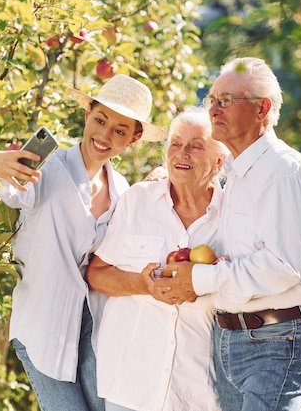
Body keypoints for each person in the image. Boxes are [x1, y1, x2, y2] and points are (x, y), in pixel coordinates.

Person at [0, 74, 166, 411]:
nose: (105, 135)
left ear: (134, 138)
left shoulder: (123, 190)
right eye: (100, 120)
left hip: (93, 331)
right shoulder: (48, 168)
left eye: (120, 130)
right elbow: (7, 188)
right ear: (87, 114)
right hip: (41, 328)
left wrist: (158, 185)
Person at [162, 57, 301, 411]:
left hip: (278, 339)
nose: (213, 109)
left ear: (262, 109)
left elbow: (283, 266)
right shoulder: (239, 174)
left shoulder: (282, 171)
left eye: (226, 100)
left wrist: (199, 279)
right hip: (233, 340)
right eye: (211, 100)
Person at [87, 108, 228, 411]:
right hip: (131, 383)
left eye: (196, 145)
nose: (182, 153)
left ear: (218, 162)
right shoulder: (138, 200)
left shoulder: (233, 215)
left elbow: (255, 272)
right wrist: (141, 284)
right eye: (175, 144)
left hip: (198, 391)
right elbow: (97, 274)